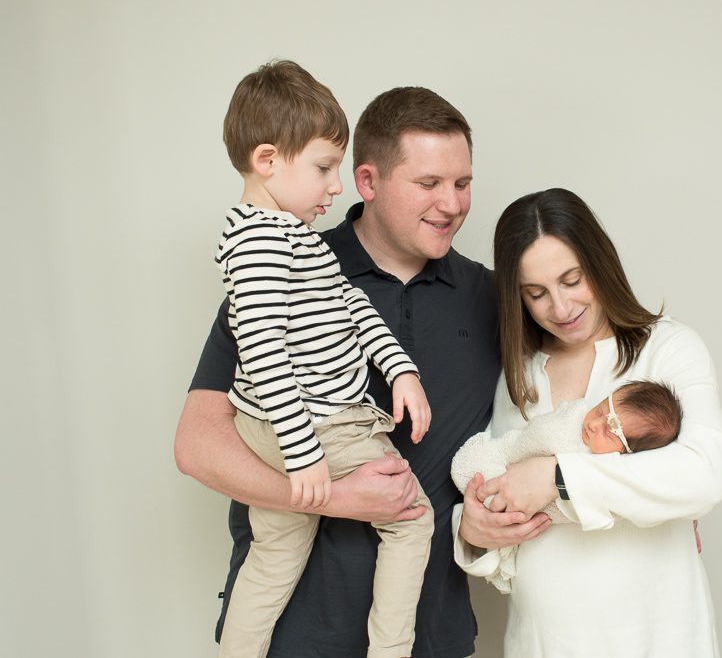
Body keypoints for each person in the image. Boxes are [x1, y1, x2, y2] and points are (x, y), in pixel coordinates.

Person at [175, 83, 512, 658]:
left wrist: (495, 514)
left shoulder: (491, 297)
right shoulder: (286, 269)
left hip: (432, 637)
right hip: (296, 638)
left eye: (462, 183)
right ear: (368, 182)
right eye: (428, 183)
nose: (452, 204)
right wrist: (329, 496)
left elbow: (546, 416)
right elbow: (197, 446)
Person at [453, 188, 722, 657]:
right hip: (543, 642)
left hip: (656, 638)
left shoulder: (666, 348)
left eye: (572, 280)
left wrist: (556, 478)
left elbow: (704, 473)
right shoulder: (515, 376)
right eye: (536, 293)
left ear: (600, 264)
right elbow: (488, 474)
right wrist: (471, 531)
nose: (561, 308)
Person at [214, 60, 435, 658]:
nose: (335, 186)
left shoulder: (292, 236)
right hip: (314, 421)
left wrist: (400, 369)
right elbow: (262, 353)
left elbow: (352, 303)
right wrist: (304, 452)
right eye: (323, 168)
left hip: (285, 422)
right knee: (412, 519)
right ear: (268, 160)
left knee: (274, 557)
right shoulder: (261, 245)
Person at [451, 380, 681, 592]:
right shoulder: (516, 382)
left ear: (626, 454)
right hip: (498, 465)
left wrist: (556, 475)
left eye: (608, 432)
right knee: (472, 467)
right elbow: (526, 440)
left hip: (590, 588)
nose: (594, 424)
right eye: (600, 410)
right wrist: (471, 528)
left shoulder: (612, 477)